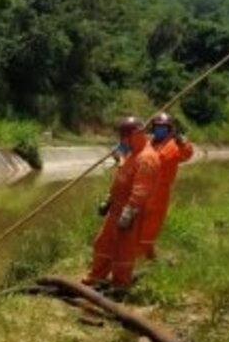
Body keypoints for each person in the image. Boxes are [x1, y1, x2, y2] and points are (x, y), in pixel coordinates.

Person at [83, 116, 161, 292]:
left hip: (131, 212)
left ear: (134, 135)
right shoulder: (132, 154)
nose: (121, 141)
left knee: (123, 250)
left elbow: (141, 189)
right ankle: (97, 276)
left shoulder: (146, 158)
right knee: (103, 243)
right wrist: (109, 198)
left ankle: (120, 284)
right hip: (117, 208)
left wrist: (129, 210)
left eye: (123, 137)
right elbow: (121, 178)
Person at [139, 111, 194, 259]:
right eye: (157, 126)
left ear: (170, 130)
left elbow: (186, 155)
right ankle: (144, 253)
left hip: (159, 192)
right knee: (138, 222)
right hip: (142, 189)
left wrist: (183, 142)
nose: (159, 129)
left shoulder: (172, 147)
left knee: (151, 225)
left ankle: (144, 255)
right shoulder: (149, 142)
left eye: (163, 127)